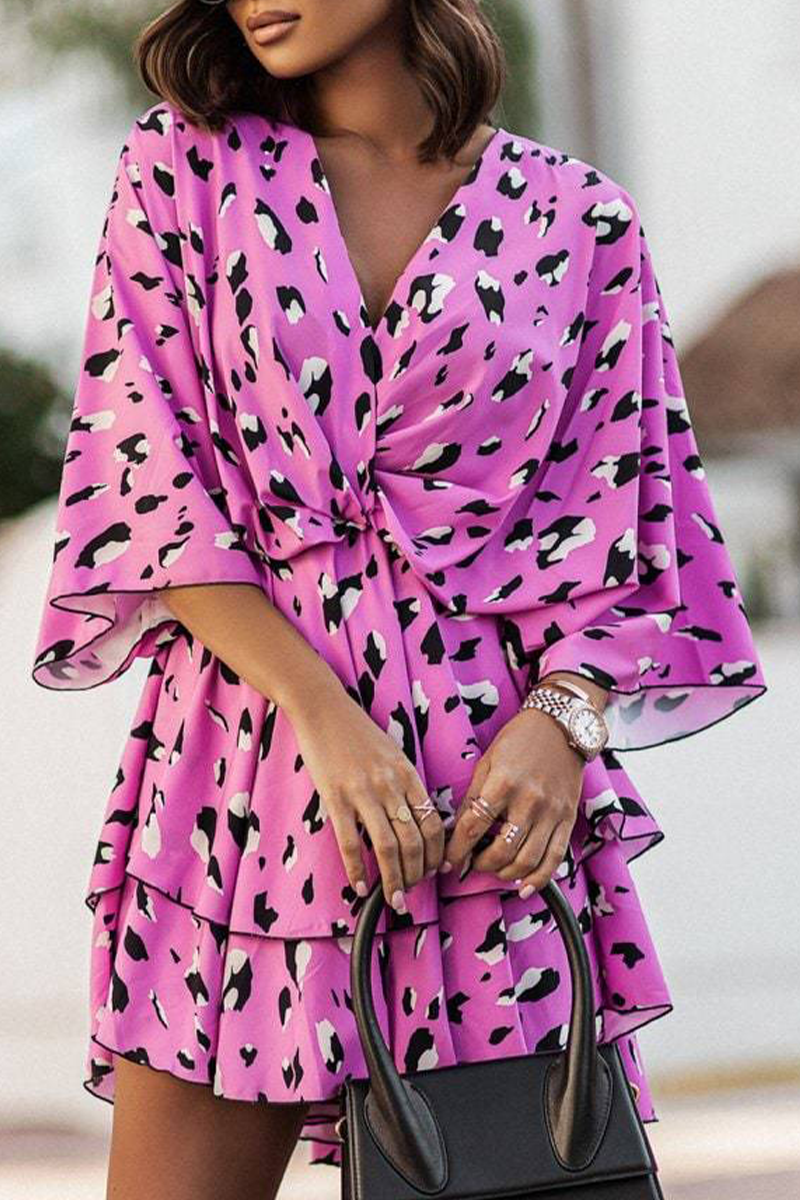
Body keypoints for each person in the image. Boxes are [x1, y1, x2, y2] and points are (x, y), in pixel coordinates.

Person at [30, 1, 768, 1198]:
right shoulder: (186, 171)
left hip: (490, 805)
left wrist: (562, 721)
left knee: (513, 1173)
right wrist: (328, 723)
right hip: (248, 773)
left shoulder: (578, 218)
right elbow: (146, 479)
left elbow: (630, 512)